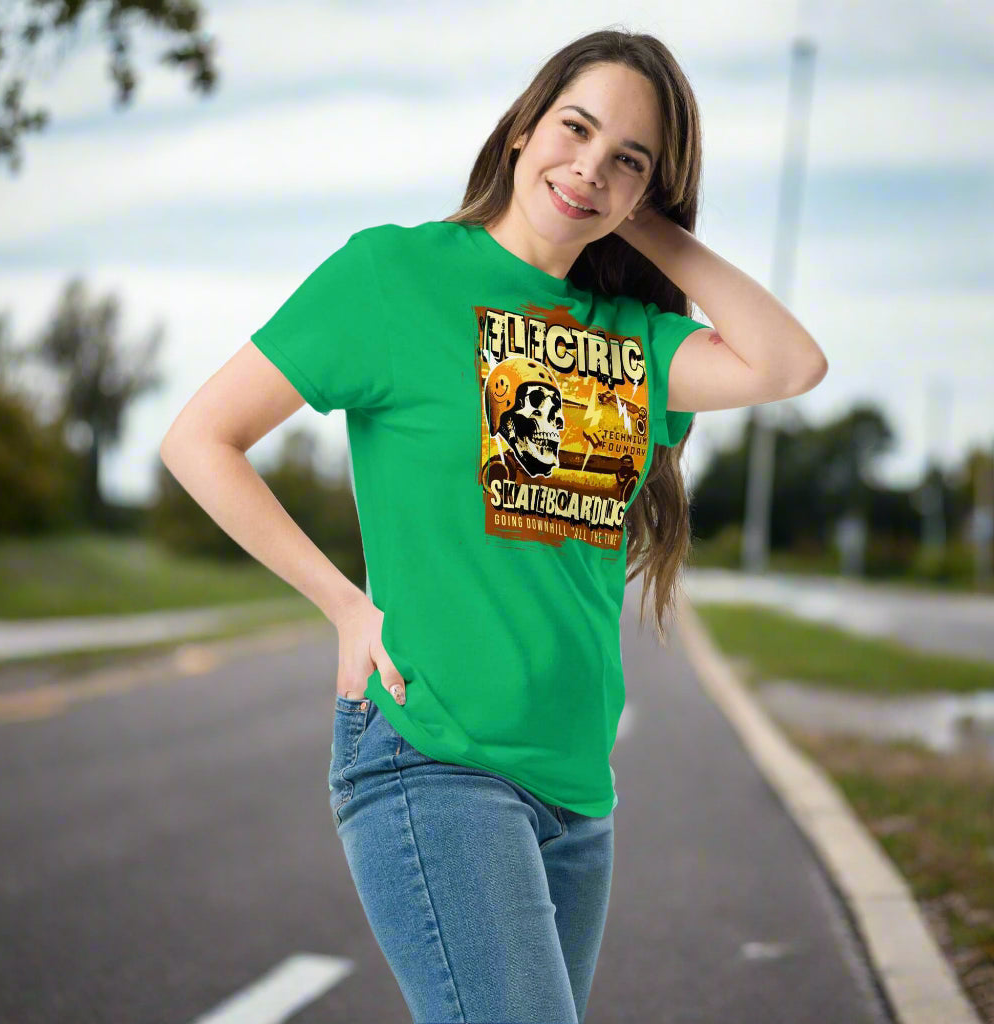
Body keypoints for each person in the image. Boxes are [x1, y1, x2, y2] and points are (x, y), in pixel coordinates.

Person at [160, 27, 828, 1024]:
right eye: (575, 128)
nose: (588, 167)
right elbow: (200, 438)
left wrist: (640, 226)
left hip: (574, 790)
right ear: (523, 126)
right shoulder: (394, 277)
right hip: (432, 754)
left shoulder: (633, 340)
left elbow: (788, 365)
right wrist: (343, 603)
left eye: (627, 160)